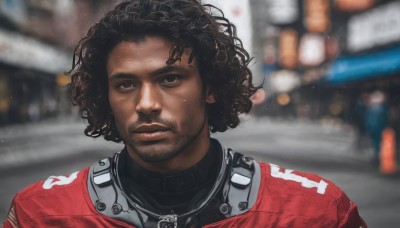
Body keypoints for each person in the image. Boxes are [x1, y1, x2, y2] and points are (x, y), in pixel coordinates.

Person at [3, 0, 366, 227]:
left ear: (210, 86)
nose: (146, 103)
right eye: (126, 84)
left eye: (170, 78)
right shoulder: (43, 214)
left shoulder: (315, 213)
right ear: (105, 95)